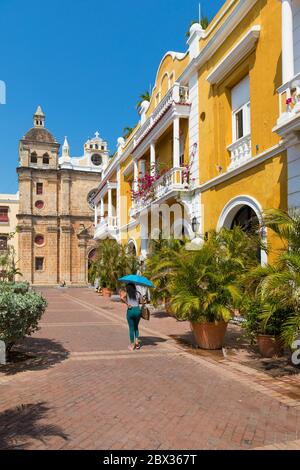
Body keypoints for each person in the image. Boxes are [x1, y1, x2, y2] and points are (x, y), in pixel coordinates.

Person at [120, 283, 143, 351]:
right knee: (136, 327)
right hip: (137, 310)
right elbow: (141, 301)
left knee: (131, 328)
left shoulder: (127, 293)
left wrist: (127, 303)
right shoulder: (138, 293)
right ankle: (137, 343)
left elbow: (121, 297)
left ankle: (132, 345)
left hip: (130, 310)